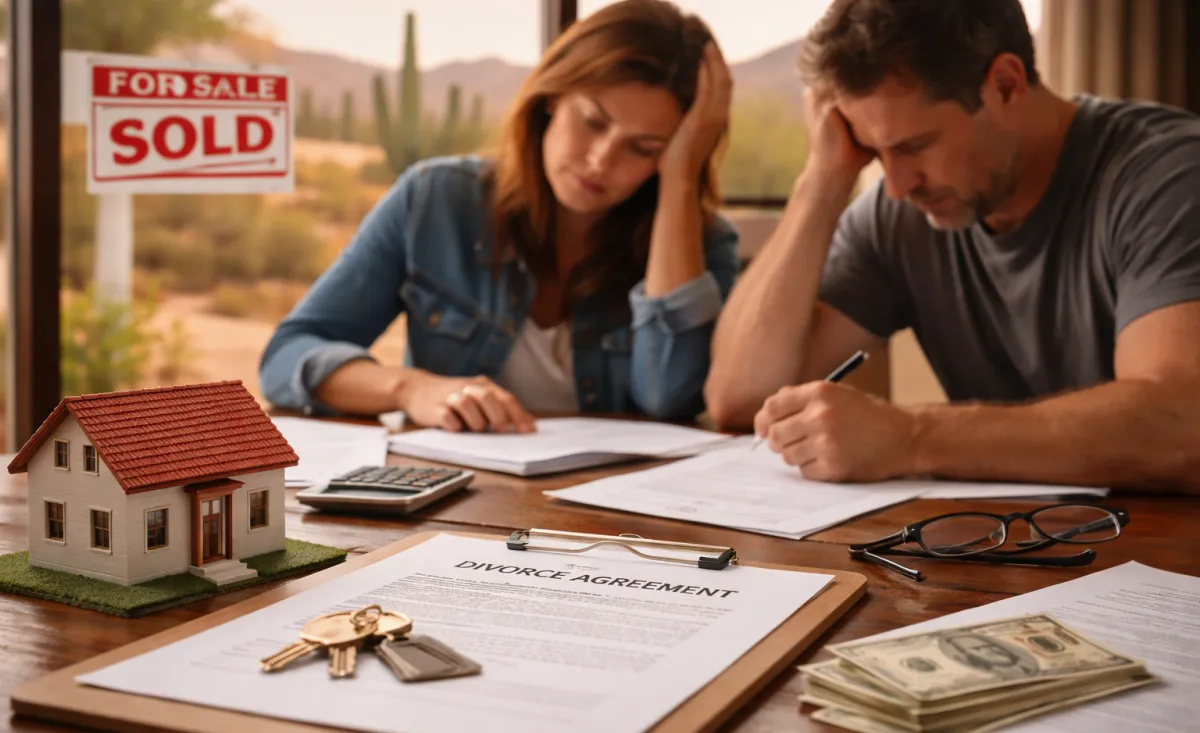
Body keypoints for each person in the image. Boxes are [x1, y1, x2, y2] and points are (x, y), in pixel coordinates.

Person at [704, 0, 1200, 493]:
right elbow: (741, 397)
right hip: (1014, 549)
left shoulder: (1167, 177)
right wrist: (822, 183)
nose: (896, 185)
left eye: (914, 145)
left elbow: (1183, 427)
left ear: (1006, 85)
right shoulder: (896, 215)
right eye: (873, 152)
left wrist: (910, 436)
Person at [260, 0, 738, 433]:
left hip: (612, 519)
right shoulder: (435, 200)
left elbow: (668, 398)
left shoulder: (703, 244)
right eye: (592, 122)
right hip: (456, 499)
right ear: (552, 97)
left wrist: (679, 181)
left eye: (643, 148)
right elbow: (287, 355)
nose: (600, 161)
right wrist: (412, 388)